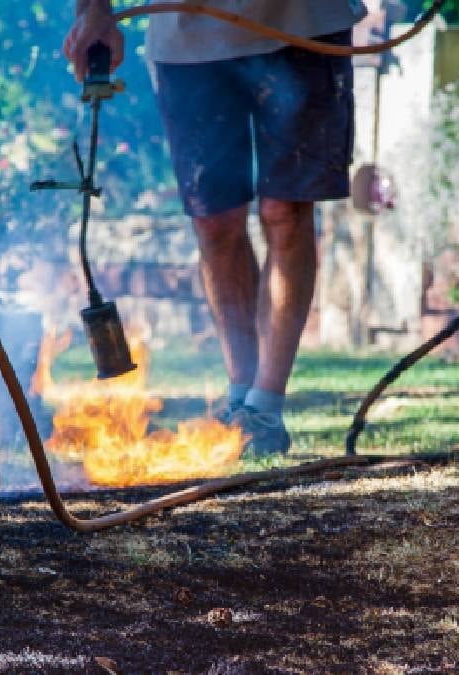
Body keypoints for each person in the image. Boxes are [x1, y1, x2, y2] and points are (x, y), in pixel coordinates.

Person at [65, 1, 365, 454]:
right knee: (214, 221)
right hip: (189, 39)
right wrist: (93, 10)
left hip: (304, 25)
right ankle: (240, 394)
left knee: (285, 212)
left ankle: (264, 405)